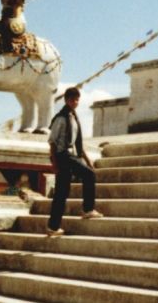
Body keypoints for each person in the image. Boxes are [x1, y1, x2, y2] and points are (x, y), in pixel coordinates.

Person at [46, 87, 102, 237]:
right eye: (72, 99)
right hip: (63, 156)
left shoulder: (74, 118)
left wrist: (87, 159)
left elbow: (78, 143)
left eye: (77, 99)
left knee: (61, 193)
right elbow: (52, 142)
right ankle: (88, 209)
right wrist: (54, 164)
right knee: (88, 175)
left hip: (72, 155)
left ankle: (53, 227)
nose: (75, 102)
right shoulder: (61, 118)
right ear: (66, 100)